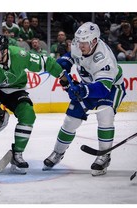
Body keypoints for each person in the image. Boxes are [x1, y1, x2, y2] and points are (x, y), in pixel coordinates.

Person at [43, 22, 126, 176]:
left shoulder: (104, 58)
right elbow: (70, 57)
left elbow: (102, 89)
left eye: (84, 43)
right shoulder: (79, 44)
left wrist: (82, 90)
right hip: (87, 86)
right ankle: (57, 153)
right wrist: (62, 66)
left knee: (105, 114)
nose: (80, 46)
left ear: (94, 41)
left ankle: (104, 156)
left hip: (110, 88)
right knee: (70, 120)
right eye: (79, 42)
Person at [0, 33, 63, 174]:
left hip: (15, 89)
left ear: (5, 51)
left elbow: (47, 62)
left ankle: (17, 155)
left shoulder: (20, 55)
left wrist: (62, 75)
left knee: (28, 114)